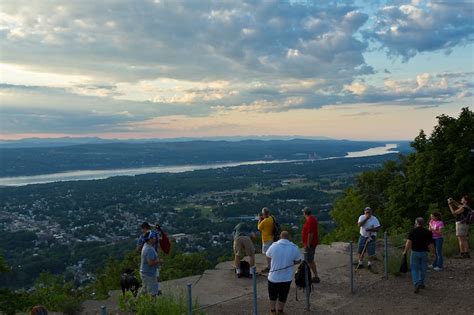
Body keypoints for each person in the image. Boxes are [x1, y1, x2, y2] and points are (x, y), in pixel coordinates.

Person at [266, 230, 301, 315]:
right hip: (286, 278)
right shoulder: (294, 247)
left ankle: (273, 311)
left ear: (280, 237)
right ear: (288, 237)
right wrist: (291, 263)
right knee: (283, 295)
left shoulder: (273, 246)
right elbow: (299, 260)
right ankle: (280, 311)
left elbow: (268, 256)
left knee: (272, 295)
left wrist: (270, 266)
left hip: (273, 277)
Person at [402, 217, 435, 293]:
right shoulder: (428, 232)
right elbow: (430, 244)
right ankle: (421, 283)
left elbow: (409, 243)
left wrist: (405, 251)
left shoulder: (412, 231)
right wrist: (432, 253)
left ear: (416, 223)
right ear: (423, 223)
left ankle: (416, 282)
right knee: (423, 268)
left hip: (415, 252)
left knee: (414, 269)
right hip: (424, 252)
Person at [137, 222, 161, 293]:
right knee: (155, 276)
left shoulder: (142, 237)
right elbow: (159, 232)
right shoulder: (155, 234)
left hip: (146, 261)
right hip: (154, 257)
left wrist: (141, 246)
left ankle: (153, 292)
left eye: (142, 229)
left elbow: (137, 249)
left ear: (144, 228)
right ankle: (156, 290)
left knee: (147, 284)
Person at [301, 207, 320, 283]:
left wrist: (308, 244)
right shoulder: (311, 219)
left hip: (310, 244)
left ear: (305, 213)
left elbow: (310, 233)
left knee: (309, 261)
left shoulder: (310, 221)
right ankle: (314, 276)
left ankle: (311, 277)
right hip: (310, 243)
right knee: (310, 261)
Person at [140, 231, 160, 296]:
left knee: (145, 290)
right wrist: (159, 261)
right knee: (153, 293)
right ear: (150, 239)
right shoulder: (149, 249)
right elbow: (150, 263)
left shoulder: (146, 246)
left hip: (144, 272)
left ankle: (135, 303)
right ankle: (153, 305)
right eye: (153, 237)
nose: (154, 238)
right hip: (149, 274)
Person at [258, 207, 275, 273]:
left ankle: (269, 267)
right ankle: (272, 265)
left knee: (267, 254)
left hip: (266, 239)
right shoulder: (271, 218)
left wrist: (260, 219)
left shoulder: (264, 221)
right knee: (271, 253)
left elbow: (259, 228)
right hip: (271, 237)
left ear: (263, 213)